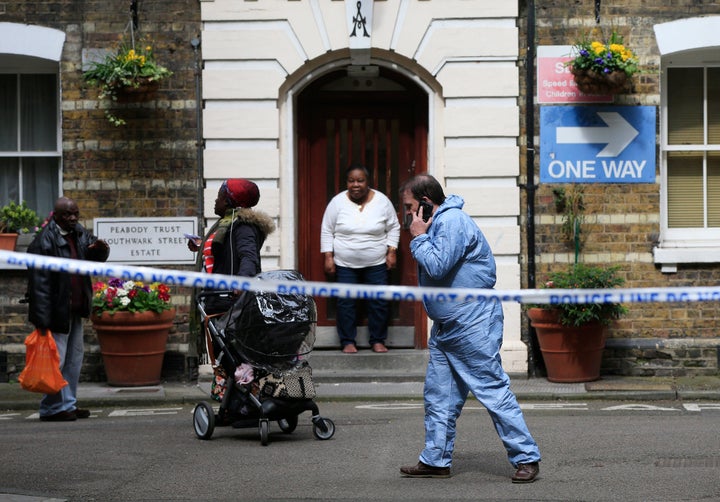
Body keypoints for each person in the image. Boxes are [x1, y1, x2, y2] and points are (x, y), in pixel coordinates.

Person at [398, 174, 541, 483]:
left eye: (409, 207)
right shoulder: (440, 223)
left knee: (491, 390)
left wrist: (418, 236)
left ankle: (526, 457)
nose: (407, 214)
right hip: (447, 326)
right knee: (439, 397)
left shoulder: (452, 222)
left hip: (472, 322)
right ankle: (435, 460)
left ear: (425, 203)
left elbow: (437, 265)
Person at [26, 196, 110, 422]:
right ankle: (52, 408)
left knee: (74, 360)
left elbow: (93, 258)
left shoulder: (79, 233)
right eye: (67, 214)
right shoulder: (44, 242)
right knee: (57, 361)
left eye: (75, 214)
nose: (72, 218)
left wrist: (101, 250)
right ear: (56, 215)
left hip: (76, 308)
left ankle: (68, 404)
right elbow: (39, 286)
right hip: (55, 313)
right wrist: (42, 322)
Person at [320, 164, 401, 353]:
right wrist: (328, 256)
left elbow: (394, 227)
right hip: (345, 264)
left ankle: (378, 340)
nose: (355, 184)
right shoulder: (337, 202)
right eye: (351, 181)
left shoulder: (382, 201)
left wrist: (392, 251)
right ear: (347, 182)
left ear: (368, 182)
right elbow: (327, 230)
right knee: (346, 302)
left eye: (360, 180)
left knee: (378, 301)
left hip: (376, 263)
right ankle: (347, 341)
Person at [188, 178, 276, 314]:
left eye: (219, 197)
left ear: (229, 202)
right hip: (214, 297)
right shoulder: (227, 225)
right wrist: (202, 246)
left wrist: (242, 282)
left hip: (228, 303)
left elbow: (248, 256)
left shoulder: (244, 226)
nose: (216, 201)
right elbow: (225, 253)